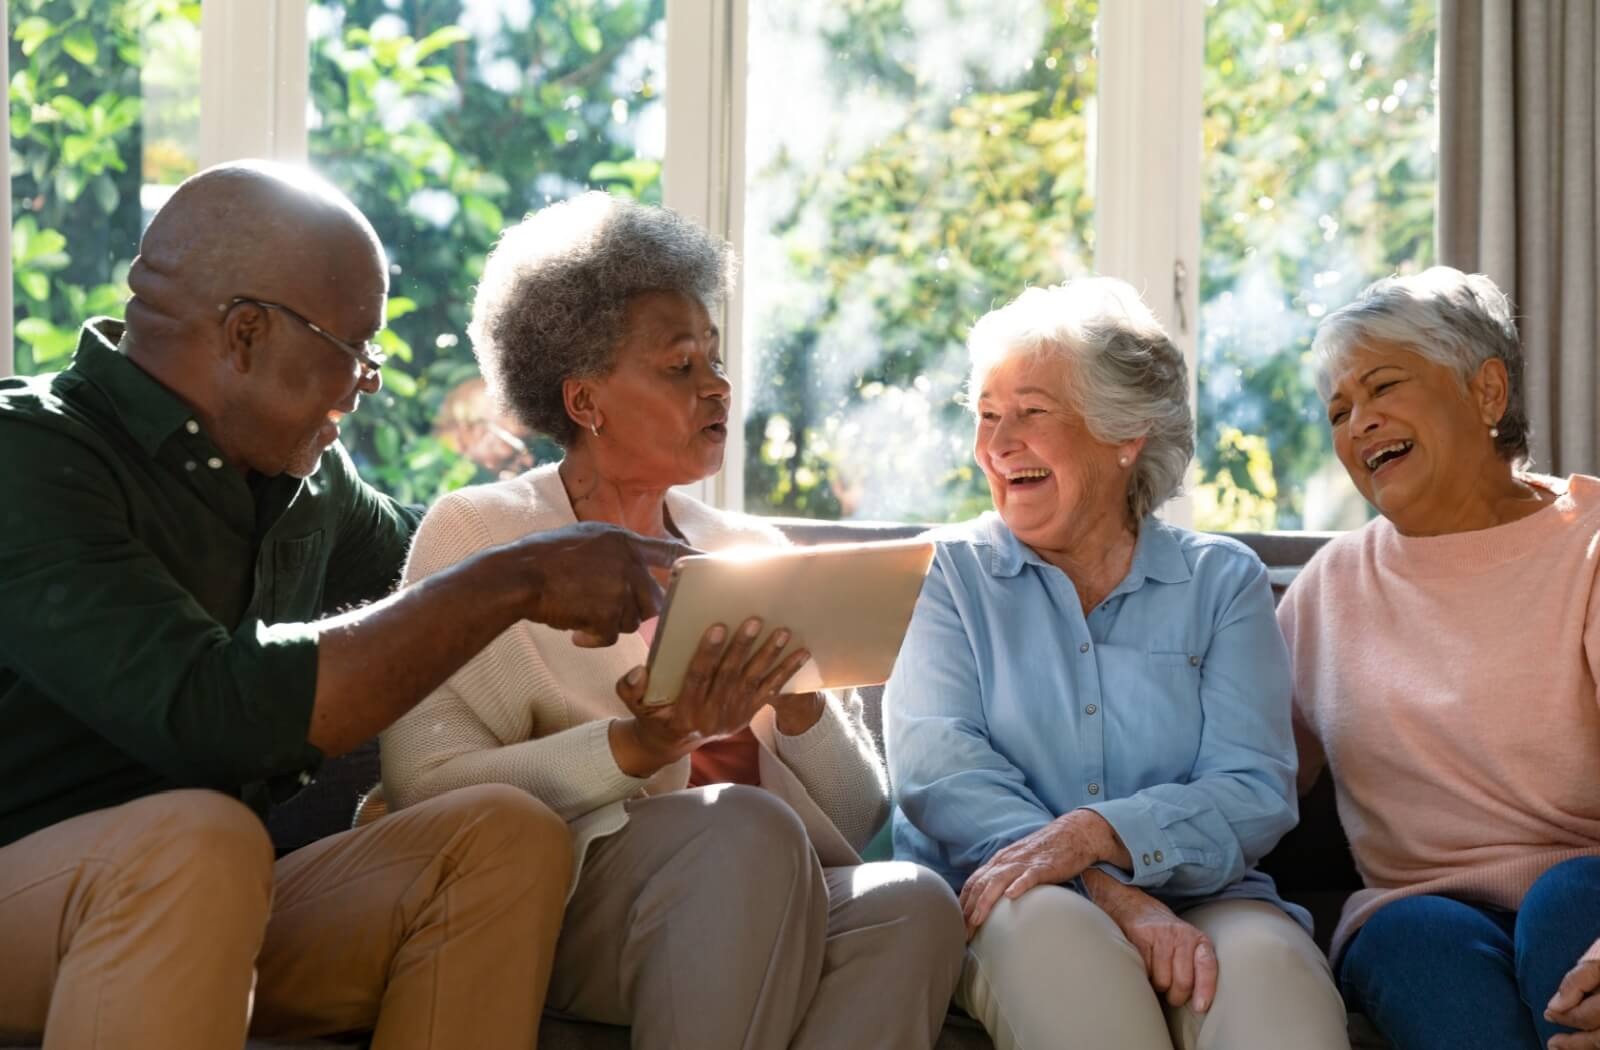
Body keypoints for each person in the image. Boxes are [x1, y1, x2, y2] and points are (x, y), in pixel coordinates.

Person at [0, 161, 692, 1050]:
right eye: (356, 345)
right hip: (46, 889)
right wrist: (522, 575)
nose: (368, 379)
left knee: (501, 836)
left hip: (209, 896)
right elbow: (212, 711)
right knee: (201, 841)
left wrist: (671, 547)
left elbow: (448, 550)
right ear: (244, 333)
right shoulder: (31, 457)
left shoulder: (305, 480)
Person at [377, 191, 966, 1050]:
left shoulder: (750, 546)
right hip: (571, 898)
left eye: (716, 360)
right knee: (745, 825)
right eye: (679, 366)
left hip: (770, 882)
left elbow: (857, 806)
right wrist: (638, 747)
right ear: (585, 401)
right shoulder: (484, 534)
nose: (716, 385)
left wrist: (800, 708)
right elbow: (423, 779)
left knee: (912, 903)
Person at [885, 278, 1350, 1050]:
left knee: (1277, 996)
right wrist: (1107, 888)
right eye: (988, 416)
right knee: (1073, 970)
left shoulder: (1221, 581)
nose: (998, 446)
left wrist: (1103, 831)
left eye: (1031, 413)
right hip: (1014, 890)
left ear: (1124, 434)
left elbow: (1254, 788)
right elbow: (942, 775)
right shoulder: (946, 574)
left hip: (1210, 892)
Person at [1279, 266, 1600, 1050]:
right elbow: (1244, 777)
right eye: (1339, 411)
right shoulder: (1331, 587)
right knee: (1412, 940)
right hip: (1414, 911)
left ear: (1487, 392)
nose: (1360, 423)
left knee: (1567, 903)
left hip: (1588, 887)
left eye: (1385, 387)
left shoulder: (1589, 550)